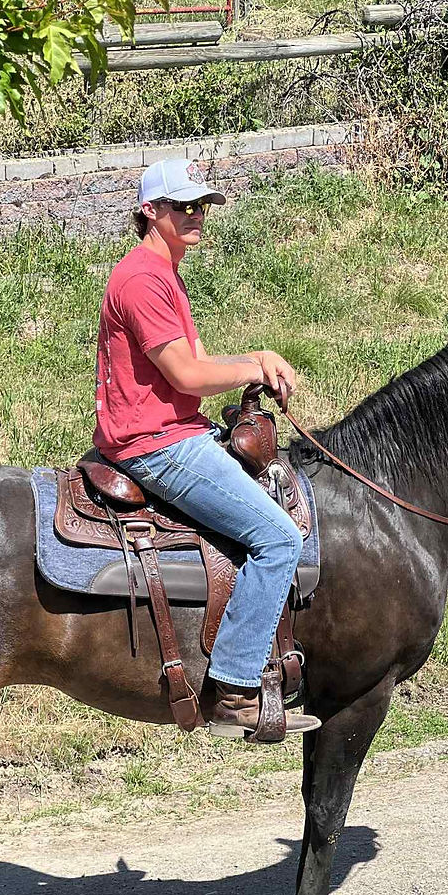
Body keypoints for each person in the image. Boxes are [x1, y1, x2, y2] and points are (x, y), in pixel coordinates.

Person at [93, 156, 321, 738]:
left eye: (201, 205)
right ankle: (235, 686)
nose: (196, 215)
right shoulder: (144, 278)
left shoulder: (163, 271)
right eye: (182, 206)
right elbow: (186, 374)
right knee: (277, 537)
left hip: (172, 431)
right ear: (151, 211)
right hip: (156, 444)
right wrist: (257, 361)